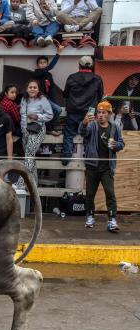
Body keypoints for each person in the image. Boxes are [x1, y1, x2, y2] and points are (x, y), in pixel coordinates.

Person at [79, 101, 124, 231]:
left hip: (107, 167)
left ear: (110, 114)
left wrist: (117, 145)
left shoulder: (115, 127)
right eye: (99, 112)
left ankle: (112, 220)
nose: (100, 115)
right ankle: (90, 217)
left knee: (110, 193)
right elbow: (82, 132)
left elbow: (121, 143)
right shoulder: (92, 125)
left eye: (104, 112)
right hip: (92, 166)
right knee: (90, 194)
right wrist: (84, 122)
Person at [62, 55, 103, 165]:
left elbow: (65, 94)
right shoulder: (97, 79)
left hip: (73, 111)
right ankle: (89, 158)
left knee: (69, 134)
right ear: (92, 65)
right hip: (89, 112)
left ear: (79, 65)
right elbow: (100, 97)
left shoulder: (71, 77)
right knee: (88, 134)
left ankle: (66, 158)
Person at [19, 80, 53, 186]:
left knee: (29, 154)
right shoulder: (24, 99)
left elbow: (50, 115)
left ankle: (21, 182)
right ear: (27, 88)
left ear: (38, 89)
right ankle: (33, 183)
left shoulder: (43, 99)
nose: (32, 89)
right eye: (30, 87)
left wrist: (38, 116)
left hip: (38, 129)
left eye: (34, 87)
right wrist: (23, 130)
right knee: (30, 156)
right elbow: (23, 116)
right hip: (26, 131)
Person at [32, 51, 63, 133]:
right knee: (58, 110)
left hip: (47, 99)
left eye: (44, 62)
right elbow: (50, 67)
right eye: (40, 63)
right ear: (37, 65)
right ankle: (49, 129)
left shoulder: (49, 75)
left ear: (47, 63)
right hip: (39, 99)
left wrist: (54, 102)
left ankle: (49, 128)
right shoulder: (37, 73)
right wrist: (58, 54)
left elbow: (51, 89)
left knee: (57, 110)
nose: (42, 64)